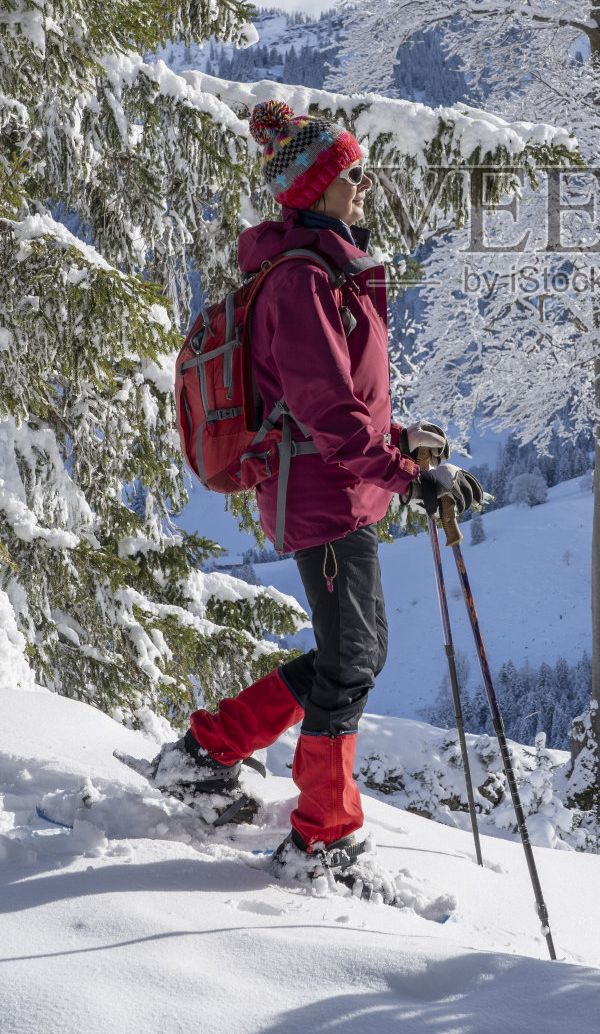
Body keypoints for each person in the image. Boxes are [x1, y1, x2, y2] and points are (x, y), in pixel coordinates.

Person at [149, 100, 482, 887]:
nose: (366, 185)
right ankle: (320, 835)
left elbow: (342, 406)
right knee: (351, 661)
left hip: (337, 492)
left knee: (353, 655)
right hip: (320, 498)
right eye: (353, 173)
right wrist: (407, 475)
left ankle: (207, 752)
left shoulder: (324, 268)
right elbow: (328, 414)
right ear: (317, 183)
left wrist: (404, 445)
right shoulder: (301, 279)